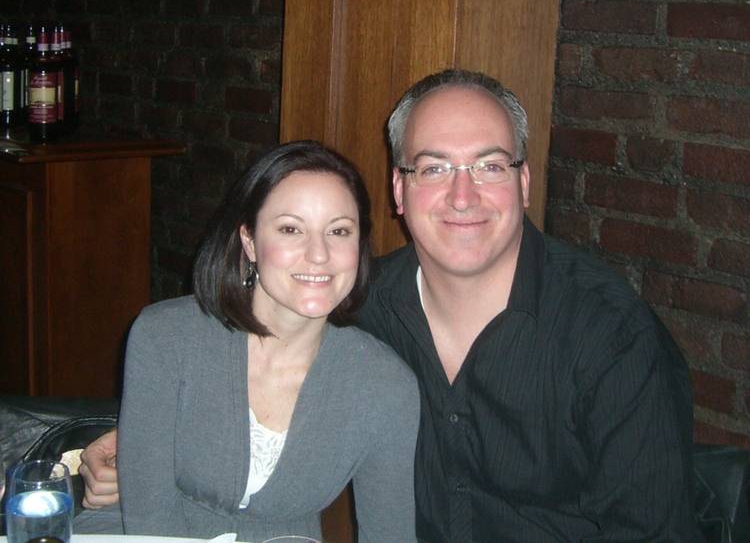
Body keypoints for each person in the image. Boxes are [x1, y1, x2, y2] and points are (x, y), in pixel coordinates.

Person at [80, 70, 702, 542]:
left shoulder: (612, 337)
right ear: (400, 189)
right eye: (434, 168)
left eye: (489, 165)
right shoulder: (359, 300)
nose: (463, 195)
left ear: (523, 182)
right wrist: (140, 439)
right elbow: (249, 355)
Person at [92, 140, 419, 542]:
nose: (319, 254)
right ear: (249, 241)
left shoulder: (386, 386)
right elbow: (149, 517)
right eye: (290, 229)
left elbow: (390, 534)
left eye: (338, 231)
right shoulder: (166, 338)